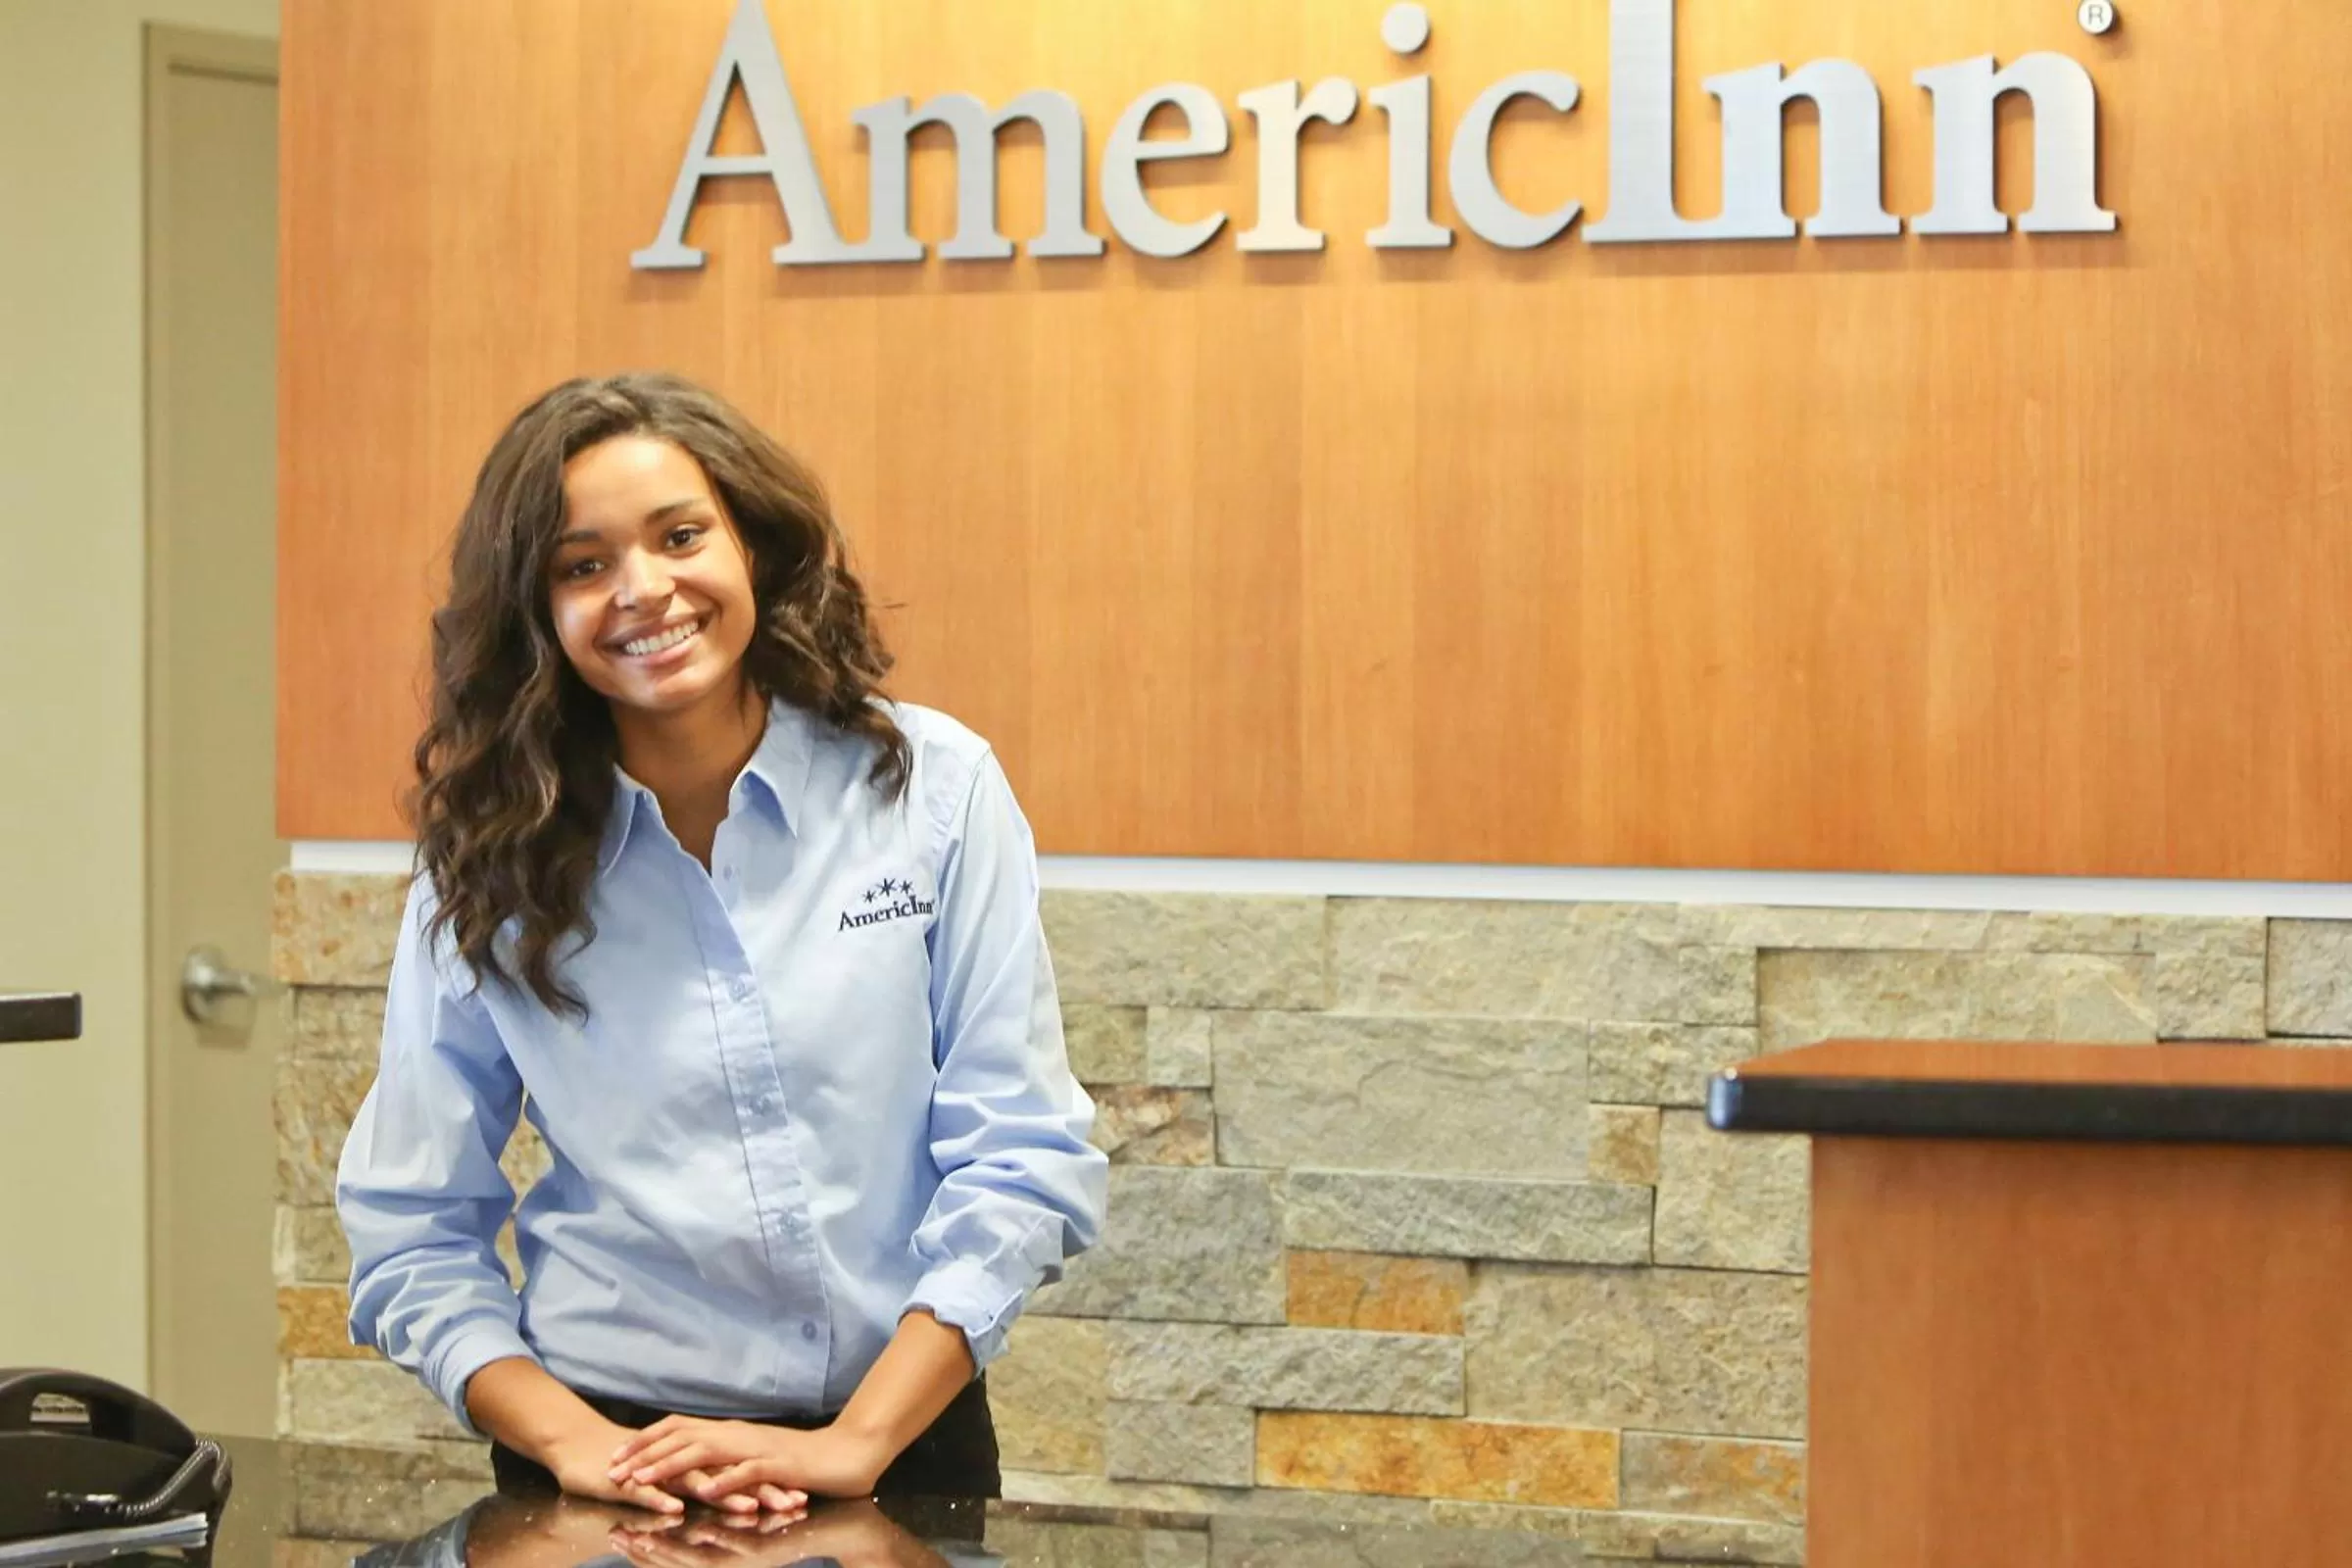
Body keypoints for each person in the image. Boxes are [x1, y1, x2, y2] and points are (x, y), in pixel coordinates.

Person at [334, 371, 1106, 1518]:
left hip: (898, 1451)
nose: (643, 590)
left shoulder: (931, 791)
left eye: (680, 535)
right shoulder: (487, 857)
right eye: (581, 565)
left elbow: (1023, 1152)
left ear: (752, 544)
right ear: (534, 611)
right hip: (605, 1478)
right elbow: (410, 1223)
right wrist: (580, 1446)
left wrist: (857, 1443)